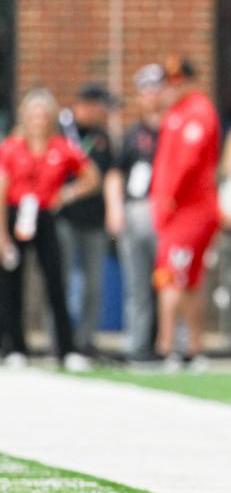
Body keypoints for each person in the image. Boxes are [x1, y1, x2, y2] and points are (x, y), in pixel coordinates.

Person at [0, 89, 99, 370]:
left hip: (45, 216)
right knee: (11, 285)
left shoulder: (61, 147)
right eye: (33, 114)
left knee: (56, 282)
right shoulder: (11, 147)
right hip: (15, 216)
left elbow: (91, 177)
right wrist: (2, 235)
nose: (38, 120)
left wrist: (66, 195)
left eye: (43, 115)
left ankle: (65, 348)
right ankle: (15, 346)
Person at [150, 56, 221, 370]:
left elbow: (187, 162)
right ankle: (193, 348)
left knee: (171, 278)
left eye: (176, 82)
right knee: (187, 279)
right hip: (178, 211)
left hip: (189, 210)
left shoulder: (197, 112)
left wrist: (169, 199)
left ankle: (167, 347)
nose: (170, 89)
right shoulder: (176, 114)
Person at [108, 65, 165, 362]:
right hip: (137, 208)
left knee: (170, 281)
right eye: (147, 90)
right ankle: (137, 344)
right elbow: (116, 173)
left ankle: (171, 345)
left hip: (167, 210)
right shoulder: (133, 135)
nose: (153, 96)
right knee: (137, 283)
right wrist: (115, 208)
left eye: (157, 89)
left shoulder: (174, 129)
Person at [57, 83, 117, 356]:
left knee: (93, 283)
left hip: (94, 219)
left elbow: (105, 176)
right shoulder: (62, 132)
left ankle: (85, 340)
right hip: (65, 218)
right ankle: (60, 339)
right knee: (63, 280)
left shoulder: (101, 137)